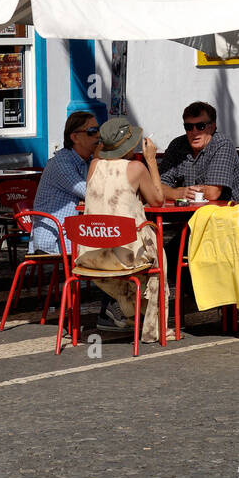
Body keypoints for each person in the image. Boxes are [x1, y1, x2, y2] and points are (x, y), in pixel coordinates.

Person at [79, 116, 168, 344]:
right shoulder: (136, 168)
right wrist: (152, 161)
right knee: (158, 249)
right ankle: (152, 325)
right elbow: (158, 200)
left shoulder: (94, 165)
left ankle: (132, 311)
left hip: (90, 256)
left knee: (137, 250)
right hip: (125, 258)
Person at [29, 110, 101, 256]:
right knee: (108, 247)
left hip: (77, 233)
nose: (98, 136)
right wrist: (98, 160)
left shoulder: (86, 161)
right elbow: (91, 192)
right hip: (55, 239)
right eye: (92, 131)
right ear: (75, 137)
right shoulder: (61, 163)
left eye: (99, 130)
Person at [158, 102, 239, 203]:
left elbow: (213, 193)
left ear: (212, 127)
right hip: (197, 212)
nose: (194, 132)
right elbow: (158, 187)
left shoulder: (222, 144)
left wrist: (177, 191)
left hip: (236, 212)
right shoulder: (177, 145)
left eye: (200, 126)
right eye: (189, 127)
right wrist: (178, 193)